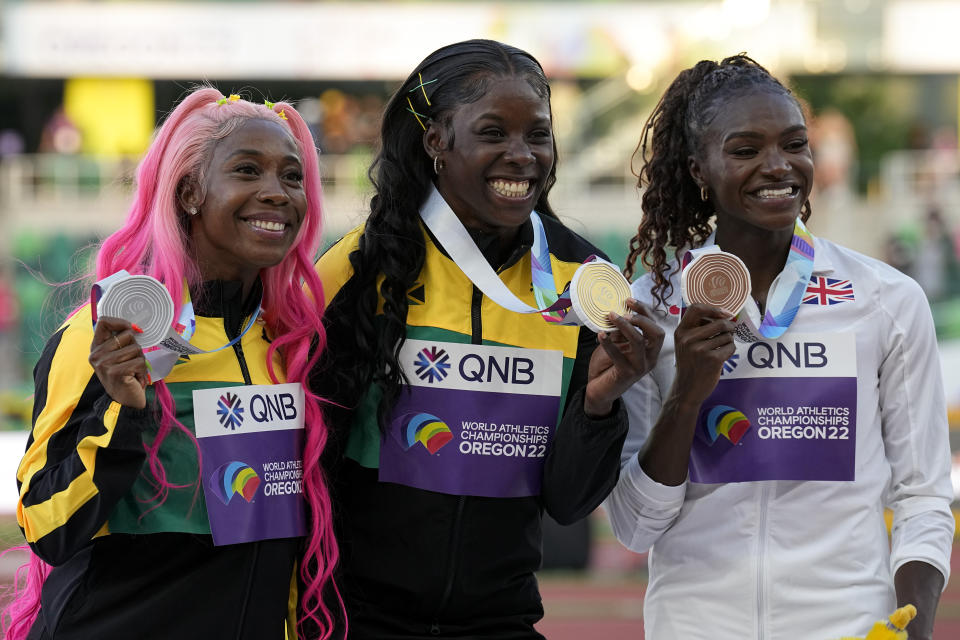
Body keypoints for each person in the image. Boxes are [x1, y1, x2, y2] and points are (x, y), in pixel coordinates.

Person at [311, 39, 663, 639]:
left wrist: (601, 404)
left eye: (538, 135)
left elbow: (568, 503)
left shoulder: (584, 284)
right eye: (494, 133)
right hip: (360, 620)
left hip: (503, 621)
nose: (522, 156)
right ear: (436, 142)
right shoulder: (359, 270)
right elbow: (309, 466)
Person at [604, 55, 955, 640]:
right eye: (745, 149)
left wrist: (912, 627)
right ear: (699, 168)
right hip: (694, 625)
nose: (778, 166)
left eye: (795, 145)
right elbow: (635, 527)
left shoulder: (886, 299)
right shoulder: (651, 312)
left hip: (848, 623)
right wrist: (687, 395)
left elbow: (922, 493)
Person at [5, 88, 339, 640]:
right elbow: (47, 525)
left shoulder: (292, 345)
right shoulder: (107, 333)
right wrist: (122, 415)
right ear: (188, 193)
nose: (276, 194)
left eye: (291, 176)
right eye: (248, 171)